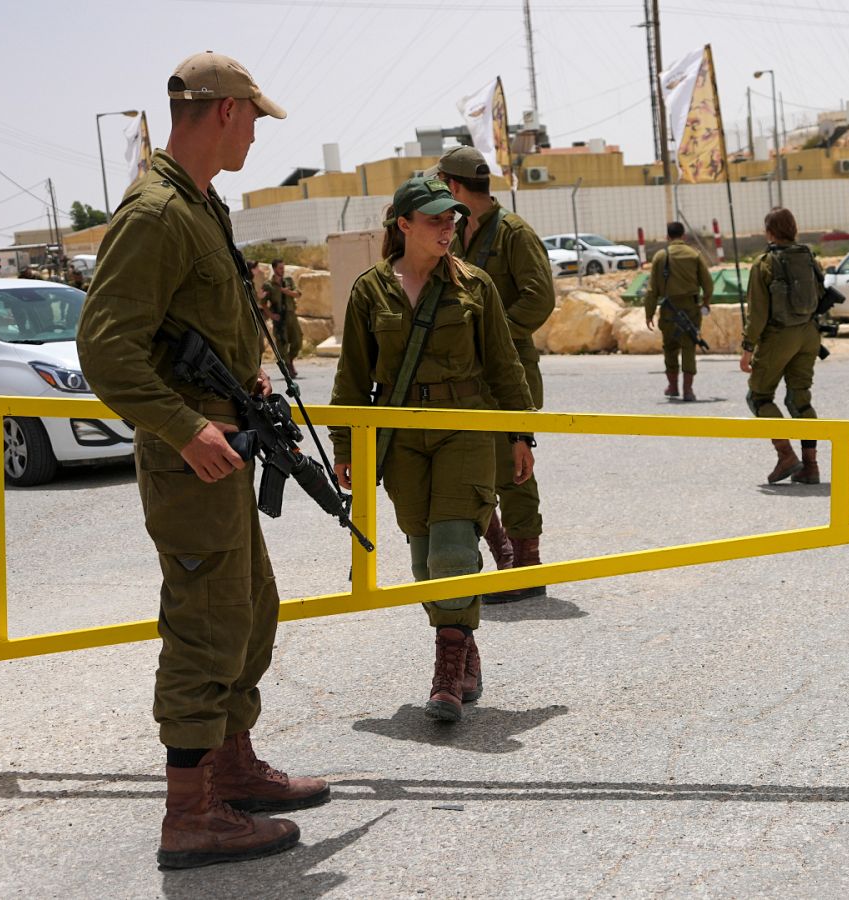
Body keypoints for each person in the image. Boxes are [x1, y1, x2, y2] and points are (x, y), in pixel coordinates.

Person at [75, 51, 325, 870]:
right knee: (206, 623)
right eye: (255, 119)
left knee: (249, 608)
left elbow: (186, 329)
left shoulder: (199, 204)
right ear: (225, 111)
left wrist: (245, 378)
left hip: (222, 447)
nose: (256, 134)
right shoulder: (157, 213)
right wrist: (185, 428)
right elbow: (105, 347)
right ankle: (190, 815)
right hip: (194, 459)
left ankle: (232, 768)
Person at [329, 175, 535, 722]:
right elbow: (353, 376)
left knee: (451, 548)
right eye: (435, 220)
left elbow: (504, 364)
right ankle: (463, 645)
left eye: (452, 219)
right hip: (401, 438)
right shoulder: (371, 290)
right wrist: (346, 446)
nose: (448, 228)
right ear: (403, 224)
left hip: (464, 427)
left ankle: (446, 677)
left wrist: (520, 434)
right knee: (425, 558)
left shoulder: (475, 286)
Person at [432, 145, 557, 602]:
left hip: (508, 372)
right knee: (469, 469)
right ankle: (503, 553)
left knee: (512, 468)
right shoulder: (455, 232)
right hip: (467, 373)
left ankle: (526, 565)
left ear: (454, 185)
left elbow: (539, 298)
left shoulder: (513, 233)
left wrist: (493, 333)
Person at [740, 207, 824, 484]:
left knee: (759, 397)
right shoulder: (809, 257)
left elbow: (757, 313)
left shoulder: (764, 263)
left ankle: (786, 455)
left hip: (779, 336)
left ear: (769, 232)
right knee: (800, 398)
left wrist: (747, 348)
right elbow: (821, 295)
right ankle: (811, 466)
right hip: (809, 334)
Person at [644, 221, 714, 401]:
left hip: (669, 311)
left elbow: (652, 290)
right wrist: (705, 303)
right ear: (683, 236)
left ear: (667, 236)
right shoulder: (694, 255)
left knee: (670, 347)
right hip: (690, 310)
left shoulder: (661, 257)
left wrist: (649, 313)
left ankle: (673, 387)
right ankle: (688, 390)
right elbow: (708, 284)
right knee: (689, 346)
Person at [261, 258, 302, 378]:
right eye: (280, 268)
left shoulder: (288, 281)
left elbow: (298, 294)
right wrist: (271, 315)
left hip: (291, 315)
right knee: (282, 343)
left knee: (298, 341)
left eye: (283, 268)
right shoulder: (268, 285)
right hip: (279, 318)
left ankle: (290, 360)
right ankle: (289, 367)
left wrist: (286, 292)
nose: (282, 270)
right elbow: (263, 303)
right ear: (274, 269)